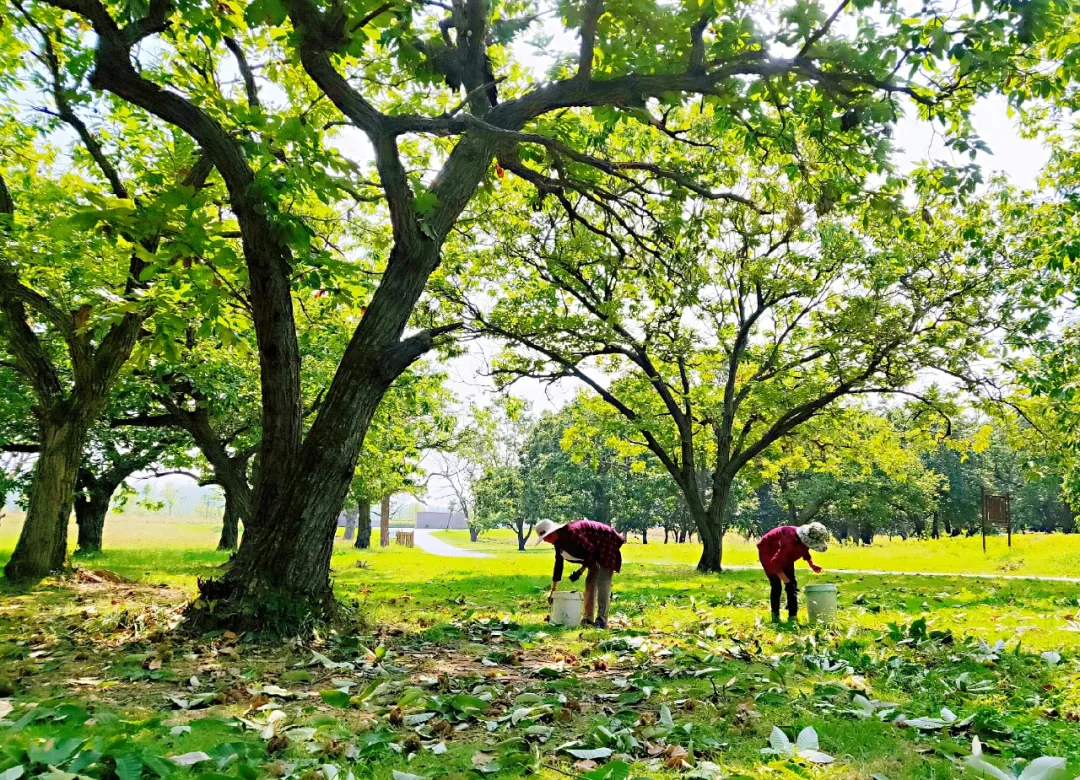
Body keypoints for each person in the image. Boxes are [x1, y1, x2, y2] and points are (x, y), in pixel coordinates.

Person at [534, 518, 624, 629]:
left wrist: (580, 571)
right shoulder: (558, 541)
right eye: (544, 538)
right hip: (593, 550)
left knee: (602, 582)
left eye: (547, 537)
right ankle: (588, 619)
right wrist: (553, 590)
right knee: (590, 582)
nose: (546, 540)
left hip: (606, 541)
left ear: (553, 532)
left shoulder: (571, 533)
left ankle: (602, 620)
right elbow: (558, 564)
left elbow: (590, 551)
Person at [757, 522, 830, 623]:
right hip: (768, 551)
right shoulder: (789, 542)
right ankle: (775, 616)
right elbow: (775, 565)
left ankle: (793, 616)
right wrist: (786, 581)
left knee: (793, 584)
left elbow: (804, 551)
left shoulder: (804, 539)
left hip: (784, 555)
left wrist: (812, 564)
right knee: (777, 585)